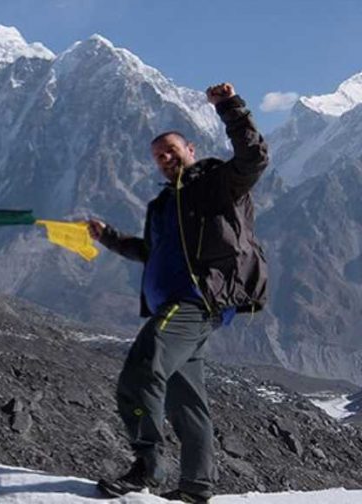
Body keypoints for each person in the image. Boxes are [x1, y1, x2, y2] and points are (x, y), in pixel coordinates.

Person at [88, 83, 268, 503]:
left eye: (170, 151)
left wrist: (230, 106)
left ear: (190, 148)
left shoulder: (218, 183)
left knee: (141, 369)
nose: (164, 159)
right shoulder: (163, 204)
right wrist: (109, 237)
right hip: (178, 303)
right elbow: (150, 252)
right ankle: (195, 488)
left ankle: (146, 464)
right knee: (187, 401)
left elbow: (254, 157)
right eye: (158, 157)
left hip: (197, 301)